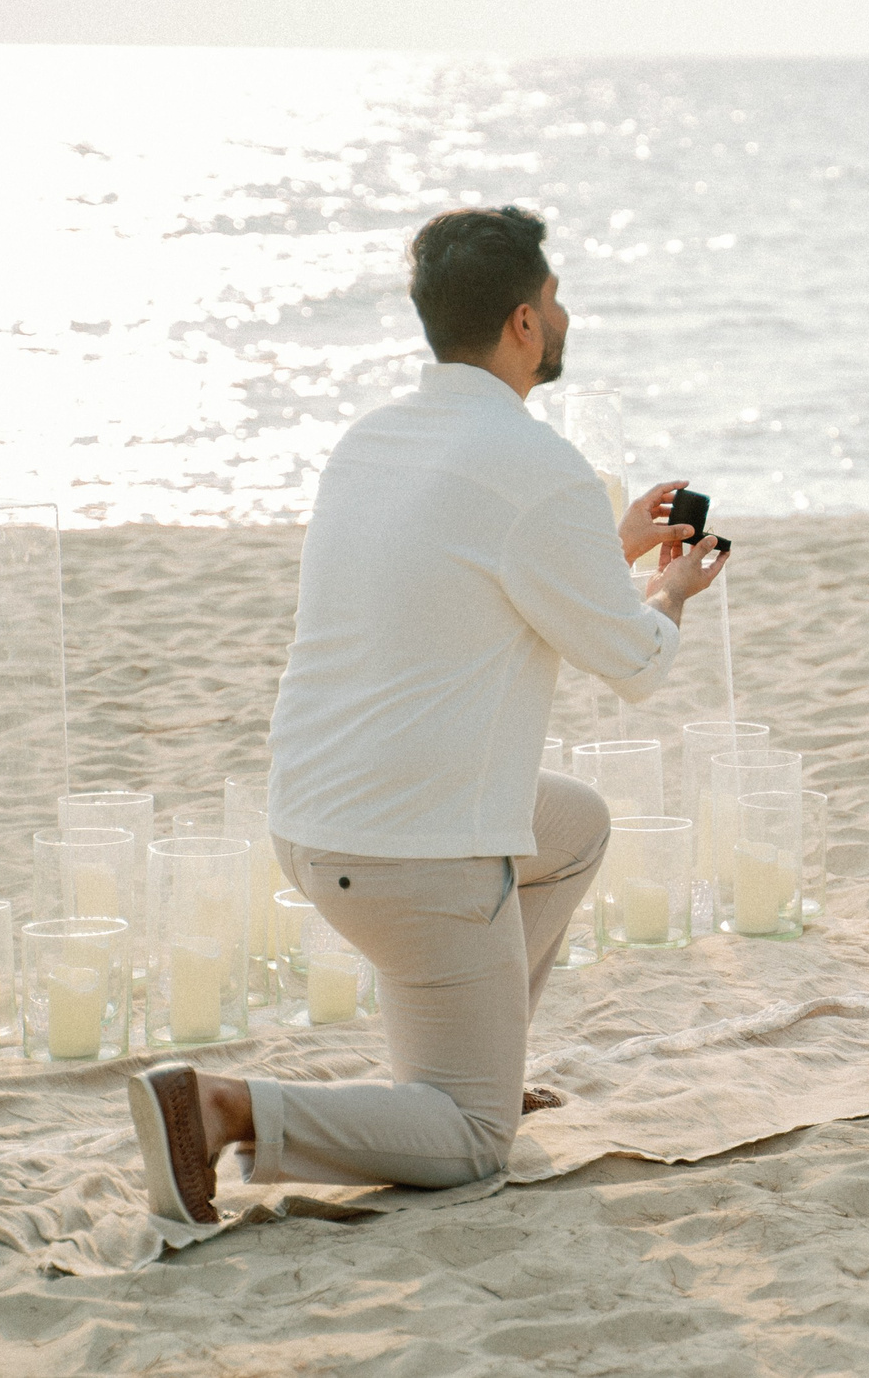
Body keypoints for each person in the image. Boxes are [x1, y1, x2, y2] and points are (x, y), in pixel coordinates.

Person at [129, 205, 727, 1223]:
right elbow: (632, 661)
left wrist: (606, 547)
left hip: (315, 821)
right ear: (526, 323)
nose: (562, 312)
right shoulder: (541, 468)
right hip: (415, 851)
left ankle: (483, 1055)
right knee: (470, 1146)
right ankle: (225, 1109)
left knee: (574, 824)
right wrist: (666, 593)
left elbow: (462, 581)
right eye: (555, 298)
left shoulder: (374, 440)